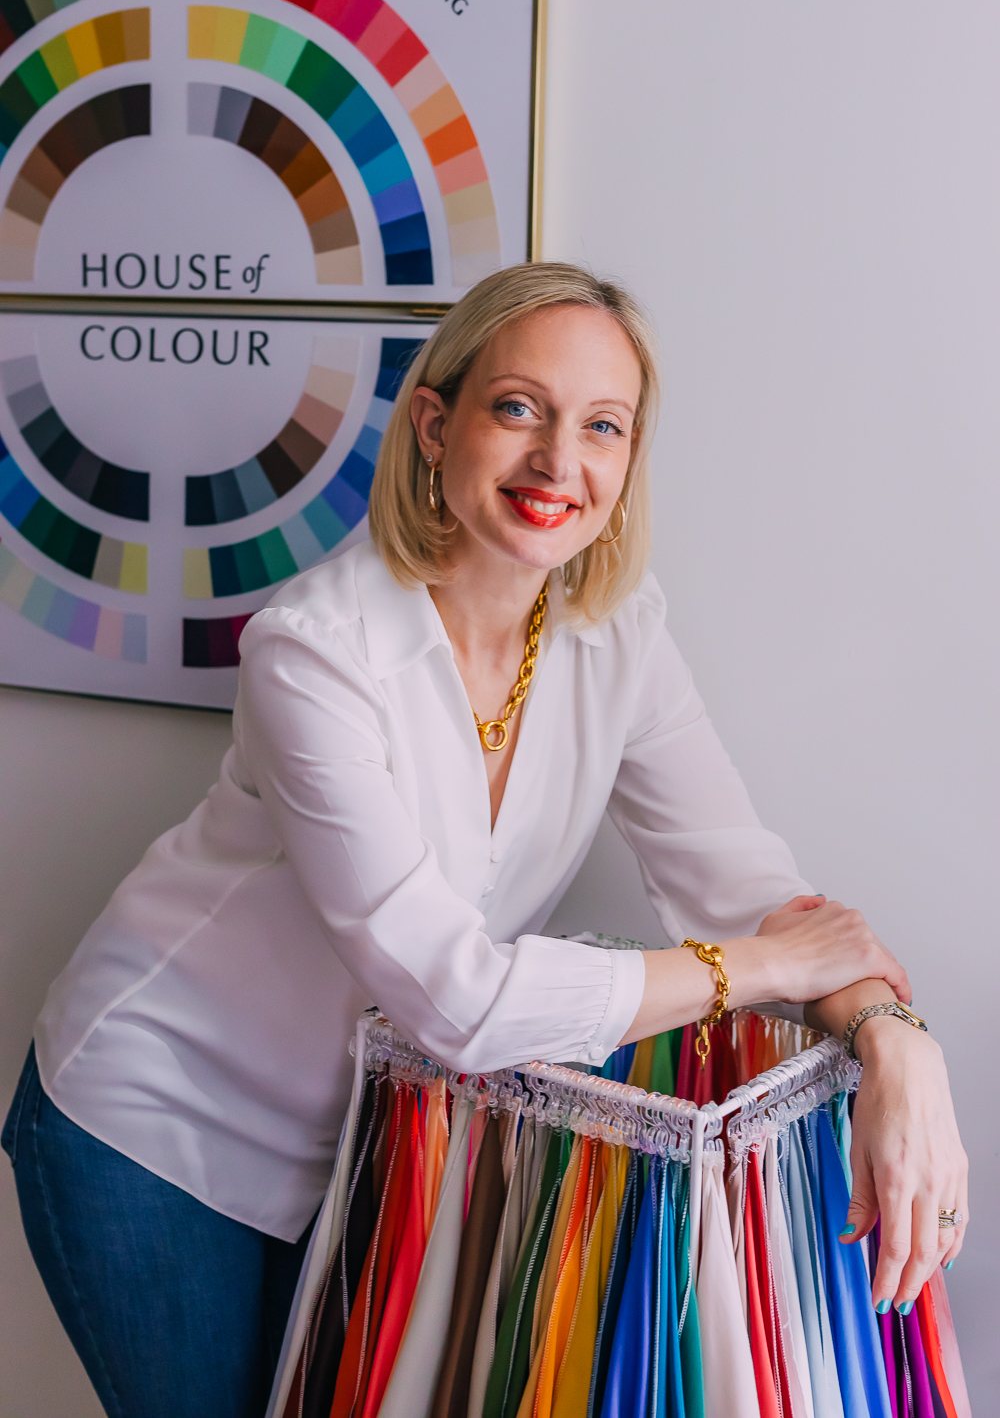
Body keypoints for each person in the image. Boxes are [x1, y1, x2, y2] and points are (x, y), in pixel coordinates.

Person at [3, 262, 967, 1418]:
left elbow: (743, 885)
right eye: (519, 409)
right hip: (153, 1128)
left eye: (601, 426)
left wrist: (894, 1041)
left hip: (371, 1144)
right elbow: (454, 1001)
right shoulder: (314, 651)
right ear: (432, 422)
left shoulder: (620, 636)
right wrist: (759, 971)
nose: (561, 462)